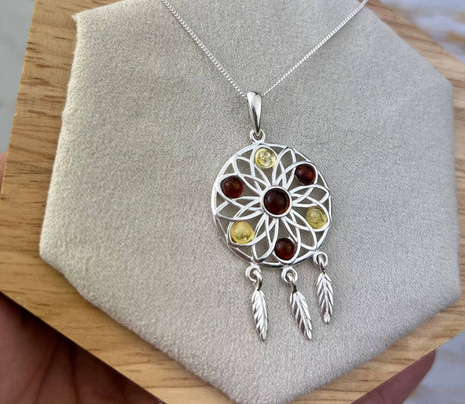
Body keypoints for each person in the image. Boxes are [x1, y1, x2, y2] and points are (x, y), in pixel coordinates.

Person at [0, 151, 435, 403]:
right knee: (288, 278)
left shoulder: (295, 188)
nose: (277, 200)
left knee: (294, 276)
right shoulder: (243, 198)